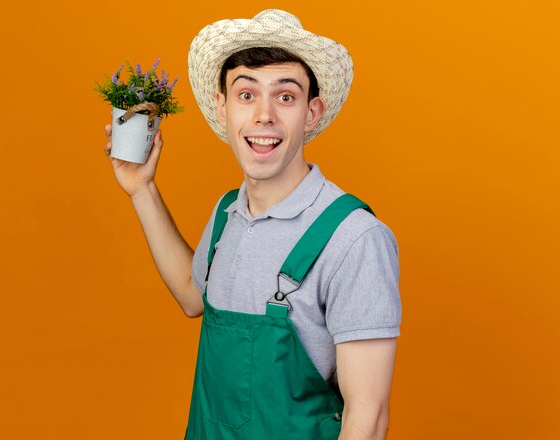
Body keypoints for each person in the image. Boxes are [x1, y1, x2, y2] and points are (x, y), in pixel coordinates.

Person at [103, 9, 401, 440]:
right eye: (246, 95)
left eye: (285, 96)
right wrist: (141, 190)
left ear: (311, 112)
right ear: (223, 108)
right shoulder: (229, 214)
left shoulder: (354, 237)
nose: (264, 115)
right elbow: (193, 296)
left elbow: (368, 419)